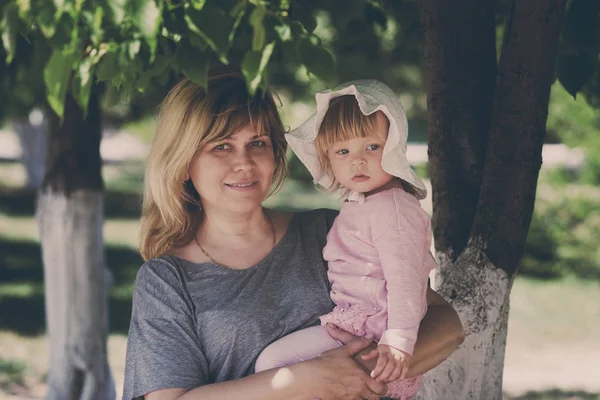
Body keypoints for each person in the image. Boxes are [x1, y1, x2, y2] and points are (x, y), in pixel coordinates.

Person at [122, 68, 465, 400]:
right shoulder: (166, 280)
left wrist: (354, 376)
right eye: (221, 147)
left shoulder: (330, 232)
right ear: (183, 164)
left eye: (257, 143)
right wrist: (302, 383)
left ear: (275, 153)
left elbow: (445, 325)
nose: (244, 162)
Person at [255, 80, 436, 400]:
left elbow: (405, 279)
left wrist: (398, 340)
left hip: (375, 332)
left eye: (372, 147)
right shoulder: (368, 203)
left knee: (273, 366)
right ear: (328, 158)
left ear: (393, 145)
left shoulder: (393, 208)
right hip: (355, 325)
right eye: (343, 150)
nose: (357, 160)